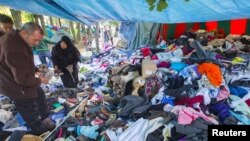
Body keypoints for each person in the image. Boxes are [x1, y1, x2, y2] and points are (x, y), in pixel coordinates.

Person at [0, 22, 55, 135]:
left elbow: (20, 63)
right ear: (24, 33)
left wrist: (35, 69)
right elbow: (22, 78)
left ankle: (44, 117)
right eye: (35, 40)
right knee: (28, 105)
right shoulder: (14, 47)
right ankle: (38, 128)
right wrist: (40, 80)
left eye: (39, 40)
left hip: (16, 77)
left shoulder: (17, 37)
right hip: (14, 84)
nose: (37, 43)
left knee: (39, 93)